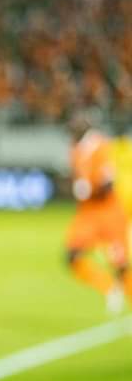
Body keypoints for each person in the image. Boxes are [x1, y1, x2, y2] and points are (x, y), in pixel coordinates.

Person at [65, 115, 132, 314]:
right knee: (72, 255)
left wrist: (89, 189)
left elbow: (108, 184)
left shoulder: (101, 146)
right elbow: (77, 179)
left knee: (121, 264)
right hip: (87, 213)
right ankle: (109, 288)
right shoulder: (75, 149)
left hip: (109, 211)